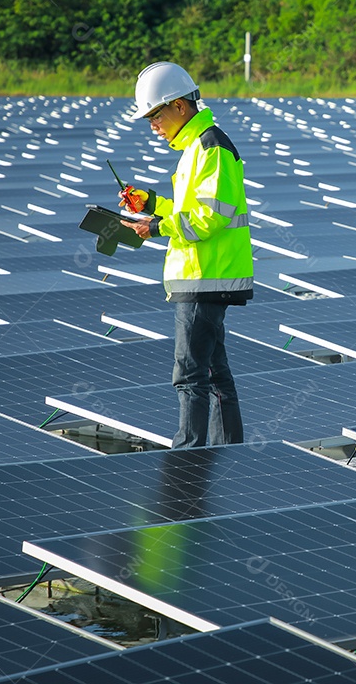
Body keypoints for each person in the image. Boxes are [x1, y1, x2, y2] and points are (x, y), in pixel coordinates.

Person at [118, 61, 253, 447]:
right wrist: (151, 204)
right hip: (202, 275)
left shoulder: (211, 147)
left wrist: (156, 226)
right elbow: (187, 211)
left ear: (179, 105)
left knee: (190, 374)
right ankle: (227, 454)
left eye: (155, 115)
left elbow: (209, 217)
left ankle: (188, 458)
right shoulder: (198, 147)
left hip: (205, 276)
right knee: (212, 372)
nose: (153, 126)